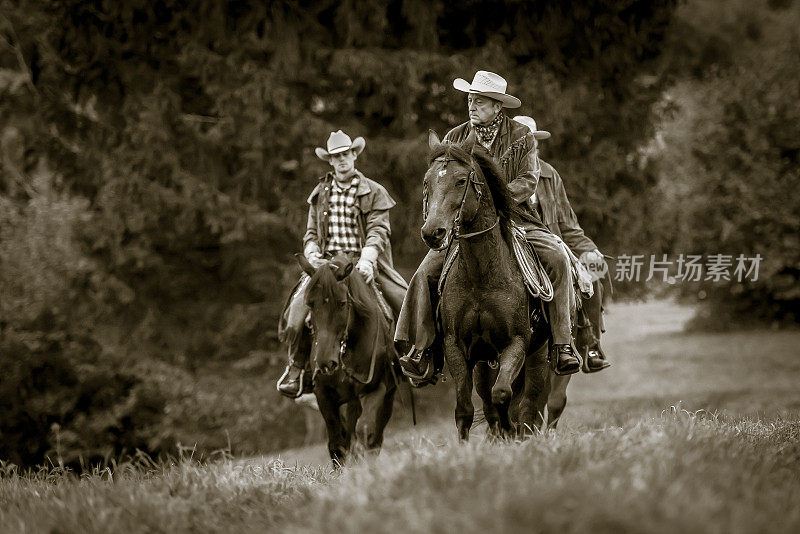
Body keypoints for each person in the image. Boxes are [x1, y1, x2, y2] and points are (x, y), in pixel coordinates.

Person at [396, 71, 581, 382]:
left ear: (497, 106)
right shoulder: (453, 137)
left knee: (559, 259)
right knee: (424, 272)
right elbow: (440, 183)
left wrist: (497, 199)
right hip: (465, 227)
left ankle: (562, 344)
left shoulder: (522, 135)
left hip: (516, 218)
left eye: (479, 101)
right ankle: (422, 349)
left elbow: (528, 180)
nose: (472, 106)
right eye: (470, 100)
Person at [277, 130, 408, 398]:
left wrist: (369, 259)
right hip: (325, 265)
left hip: (362, 261)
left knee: (402, 297)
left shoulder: (374, 191)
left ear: (354, 155)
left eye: (346, 154)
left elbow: (378, 230)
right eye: (336, 157)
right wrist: (311, 251)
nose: (342, 160)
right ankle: (295, 369)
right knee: (297, 310)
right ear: (330, 161)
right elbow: (311, 233)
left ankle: (411, 360)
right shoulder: (319, 194)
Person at [512, 115, 611, 372]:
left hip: (555, 246)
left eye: (532, 141)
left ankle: (590, 345)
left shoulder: (549, 175)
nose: (528, 146)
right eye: (522, 141)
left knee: (594, 273)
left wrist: (590, 251)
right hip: (518, 248)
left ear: (537, 144)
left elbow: (568, 224)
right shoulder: (505, 175)